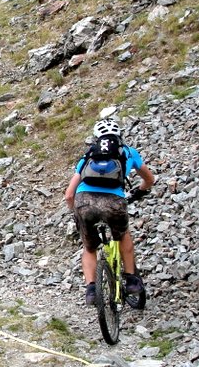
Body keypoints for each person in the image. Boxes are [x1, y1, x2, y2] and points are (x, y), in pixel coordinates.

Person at [64, 118, 155, 305]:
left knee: (89, 248)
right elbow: (149, 179)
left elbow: (69, 194)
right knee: (123, 235)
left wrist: (75, 212)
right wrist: (140, 191)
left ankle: (91, 290)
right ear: (119, 135)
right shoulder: (129, 152)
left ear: (96, 138)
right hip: (114, 203)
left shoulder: (88, 155)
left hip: (84, 202)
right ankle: (130, 279)